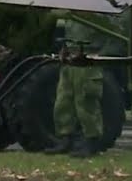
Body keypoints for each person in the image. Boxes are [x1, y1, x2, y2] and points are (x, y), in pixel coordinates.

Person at [45, 11, 125, 158]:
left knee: (86, 104)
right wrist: (64, 50)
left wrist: (101, 55)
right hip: (70, 62)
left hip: (88, 63)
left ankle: (91, 141)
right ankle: (65, 139)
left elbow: (117, 36)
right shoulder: (72, 14)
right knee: (63, 103)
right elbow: (69, 35)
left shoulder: (98, 14)